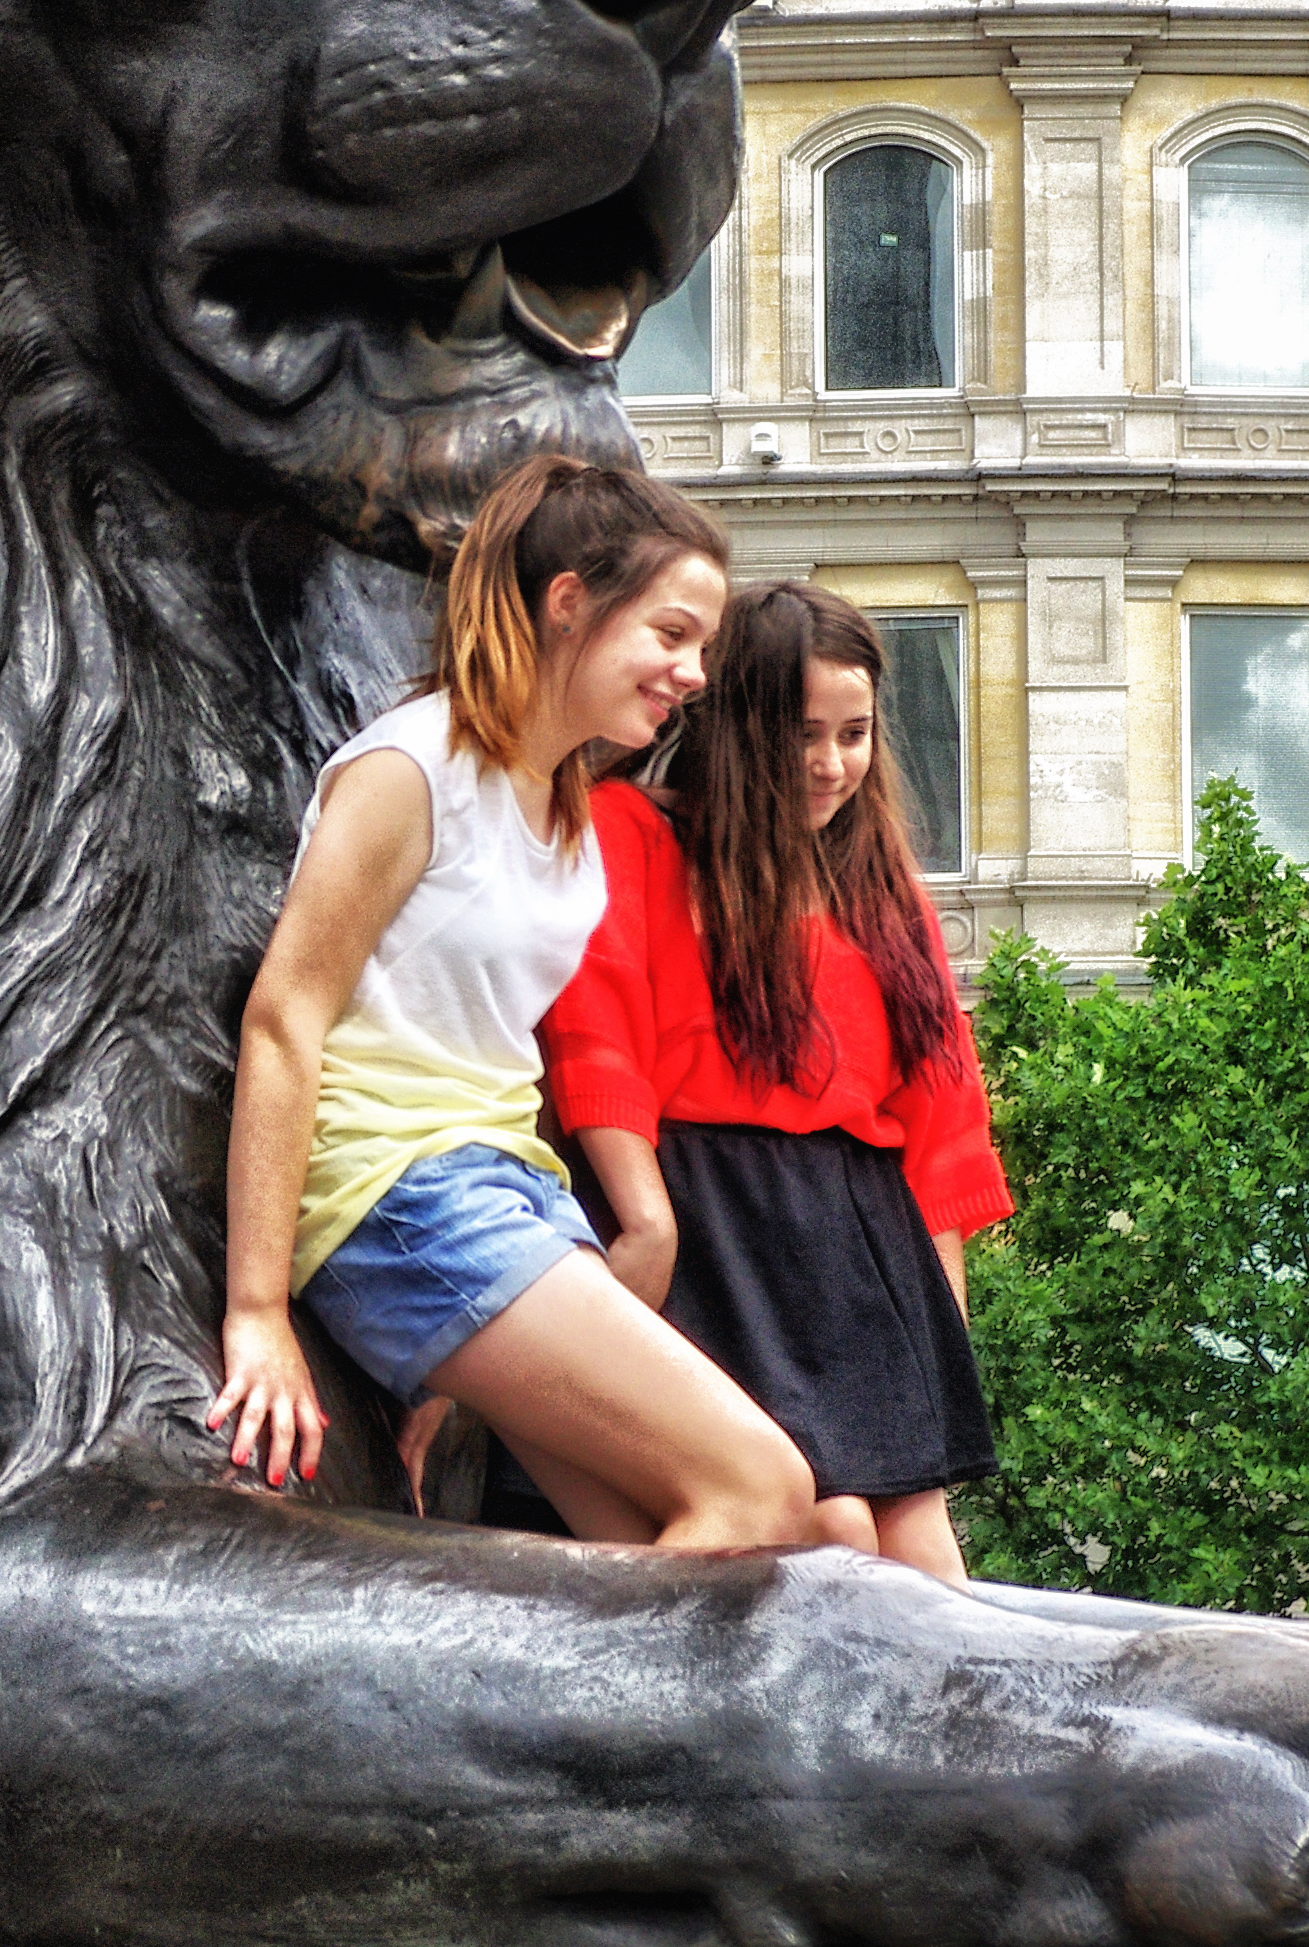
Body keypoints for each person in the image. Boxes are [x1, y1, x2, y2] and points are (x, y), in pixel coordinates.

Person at [205, 456, 824, 1553]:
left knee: (653, 1543)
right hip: (402, 1194)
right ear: (568, 603)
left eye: (702, 649)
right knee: (762, 1488)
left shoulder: (565, 803)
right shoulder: (410, 771)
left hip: (512, 1198)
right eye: (670, 635)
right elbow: (282, 1021)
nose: (692, 673)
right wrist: (257, 1315)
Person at [537, 579, 1008, 1580]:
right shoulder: (630, 832)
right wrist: (645, 1223)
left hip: (854, 1243)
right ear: (736, 723)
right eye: (801, 734)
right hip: (703, 1230)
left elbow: (940, 1132)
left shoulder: (881, 886)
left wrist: (935, 1351)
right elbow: (595, 1038)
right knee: (823, 1532)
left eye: (854, 733)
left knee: (919, 1556)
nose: (829, 765)